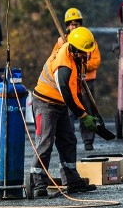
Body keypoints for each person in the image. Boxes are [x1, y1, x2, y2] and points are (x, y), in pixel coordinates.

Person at [30, 27, 99, 197]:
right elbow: (67, 94)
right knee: (45, 142)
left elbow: (75, 91)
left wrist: (85, 110)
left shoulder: (77, 59)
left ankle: (72, 181)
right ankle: (38, 183)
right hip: (45, 103)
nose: (86, 56)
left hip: (59, 104)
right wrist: (83, 115)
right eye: (83, 52)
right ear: (74, 50)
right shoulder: (63, 64)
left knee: (68, 140)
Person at [50, 7, 102, 151]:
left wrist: (82, 67)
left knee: (87, 110)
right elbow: (55, 60)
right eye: (72, 24)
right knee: (68, 111)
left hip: (86, 81)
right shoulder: (62, 41)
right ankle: (68, 138)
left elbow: (96, 61)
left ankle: (88, 141)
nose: (74, 26)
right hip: (68, 82)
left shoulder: (89, 40)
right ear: (67, 26)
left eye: (77, 23)